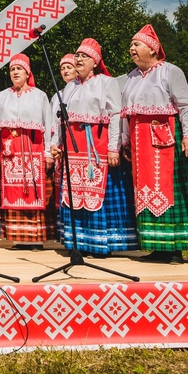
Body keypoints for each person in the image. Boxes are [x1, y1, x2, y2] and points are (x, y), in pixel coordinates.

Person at [122, 24, 188, 263]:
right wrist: (126, 141)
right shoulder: (131, 78)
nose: (132, 49)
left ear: (153, 49)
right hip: (141, 144)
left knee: (176, 191)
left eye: (136, 44)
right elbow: (125, 114)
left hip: (166, 140)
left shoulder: (170, 72)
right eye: (131, 46)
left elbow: (185, 106)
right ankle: (160, 247)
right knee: (147, 193)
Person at [51, 39, 137, 255]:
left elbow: (116, 114)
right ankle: (78, 243)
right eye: (77, 56)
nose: (78, 59)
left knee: (96, 191)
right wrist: (57, 143)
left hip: (97, 146)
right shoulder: (70, 87)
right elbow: (62, 118)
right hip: (73, 147)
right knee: (75, 192)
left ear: (95, 61)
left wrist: (114, 147)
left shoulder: (106, 83)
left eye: (84, 56)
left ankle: (101, 242)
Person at [0, 53, 53, 248]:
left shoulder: (39, 95)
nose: (15, 72)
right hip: (10, 149)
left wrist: (47, 153)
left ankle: (35, 238)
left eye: (19, 69)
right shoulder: (2, 96)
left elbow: (48, 123)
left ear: (27, 72)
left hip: (32, 147)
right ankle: (17, 236)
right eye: (12, 69)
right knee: (13, 190)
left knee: (32, 192)